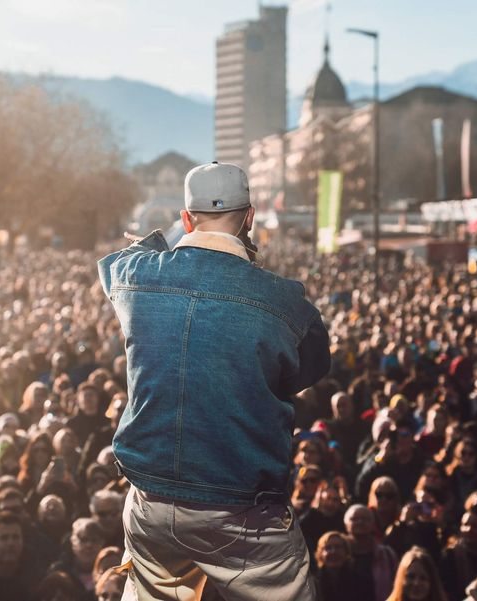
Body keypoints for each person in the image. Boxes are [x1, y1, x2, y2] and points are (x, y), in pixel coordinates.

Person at [97, 161, 330, 600]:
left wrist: (167, 236)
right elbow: (312, 366)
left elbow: (114, 263)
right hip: (241, 510)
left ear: (185, 219)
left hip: (150, 501)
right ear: (250, 217)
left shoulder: (136, 276)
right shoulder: (283, 298)